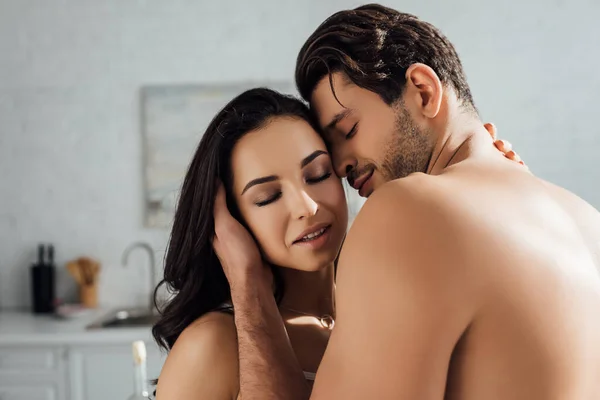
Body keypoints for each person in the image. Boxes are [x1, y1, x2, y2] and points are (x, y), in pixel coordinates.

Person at [213, 4, 600, 400]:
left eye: (349, 129)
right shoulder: (586, 220)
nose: (342, 164)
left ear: (423, 90)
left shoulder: (408, 209)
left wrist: (249, 289)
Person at [152, 88, 518, 398]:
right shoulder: (213, 344)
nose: (307, 206)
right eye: (267, 197)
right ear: (229, 219)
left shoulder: (385, 307)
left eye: (317, 174)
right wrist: (247, 284)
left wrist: (501, 190)